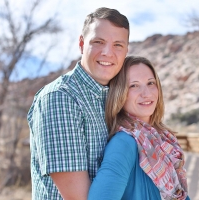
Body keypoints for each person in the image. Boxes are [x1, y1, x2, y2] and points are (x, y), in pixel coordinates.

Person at [27, 7, 129, 200]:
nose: (108, 52)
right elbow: (77, 197)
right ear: (82, 44)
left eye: (118, 45)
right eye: (98, 42)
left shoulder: (112, 97)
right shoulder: (60, 98)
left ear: (126, 51)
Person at [88, 56, 190, 200]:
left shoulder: (162, 137)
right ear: (119, 93)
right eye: (134, 85)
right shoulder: (124, 143)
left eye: (150, 83)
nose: (146, 93)